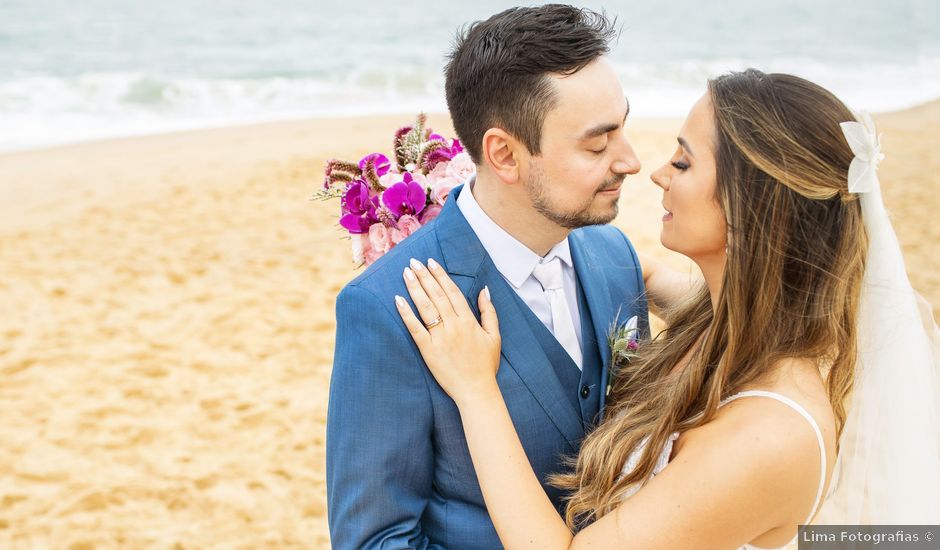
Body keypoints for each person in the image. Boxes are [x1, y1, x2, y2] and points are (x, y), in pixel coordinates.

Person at [394, 69, 940, 548]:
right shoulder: (737, 324)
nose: (654, 172)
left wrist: (476, 390)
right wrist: (479, 229)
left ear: (748, 206)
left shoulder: (770, 435)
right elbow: (635, 275)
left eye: (682, 161)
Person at [326, 5, 648, 548]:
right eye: (597, 144)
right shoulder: (385, 305)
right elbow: (373, 540)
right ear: (504, 154)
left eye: (624, 129)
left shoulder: (615, 255)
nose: (630, 160)